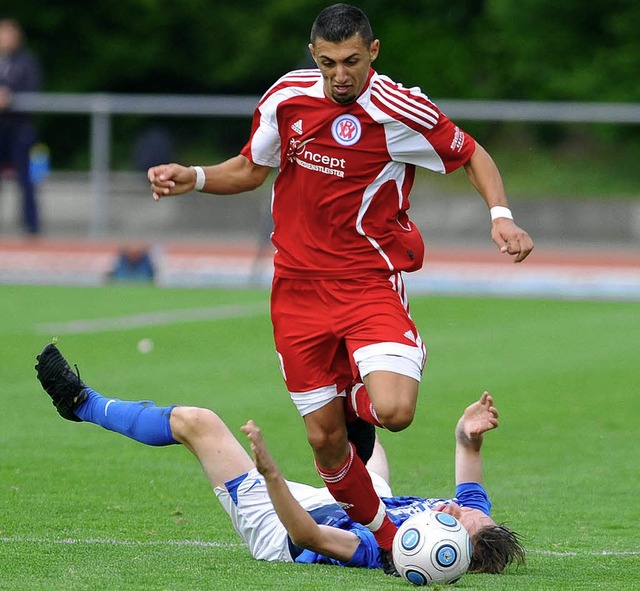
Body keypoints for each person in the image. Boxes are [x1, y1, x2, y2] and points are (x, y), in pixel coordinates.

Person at [147, 3, 534, 571]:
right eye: (328, 63)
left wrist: (500, 215)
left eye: (352, 61)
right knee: (326, 442)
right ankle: (385, 540)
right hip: (297, 294)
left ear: (372, 53)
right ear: (314, 56)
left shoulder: (400, 108)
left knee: (395, 411)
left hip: (366, 283)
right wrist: (197, 178)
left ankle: (355, 394)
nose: (340, 75)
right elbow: (253, 168)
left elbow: (471, 153)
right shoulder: (287, 97)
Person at [34, 341, 525, 575]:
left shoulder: (382, 551)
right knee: (373, 456)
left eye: (460, 520)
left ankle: (81, 405)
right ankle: (344, 383)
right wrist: (468, 430)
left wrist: (271, 476)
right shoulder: (453, 523)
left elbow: (305, 535)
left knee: (199, 424)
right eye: (467, 509)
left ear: (443, 549)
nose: (458, 507)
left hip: (285, 523)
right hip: (363, 507)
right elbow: (468, 458)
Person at [0, 17, 42, 235]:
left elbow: (33, 89)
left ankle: (32, 227)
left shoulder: (27, 62)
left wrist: (10, 97)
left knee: (26, 179)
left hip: (20, 127)